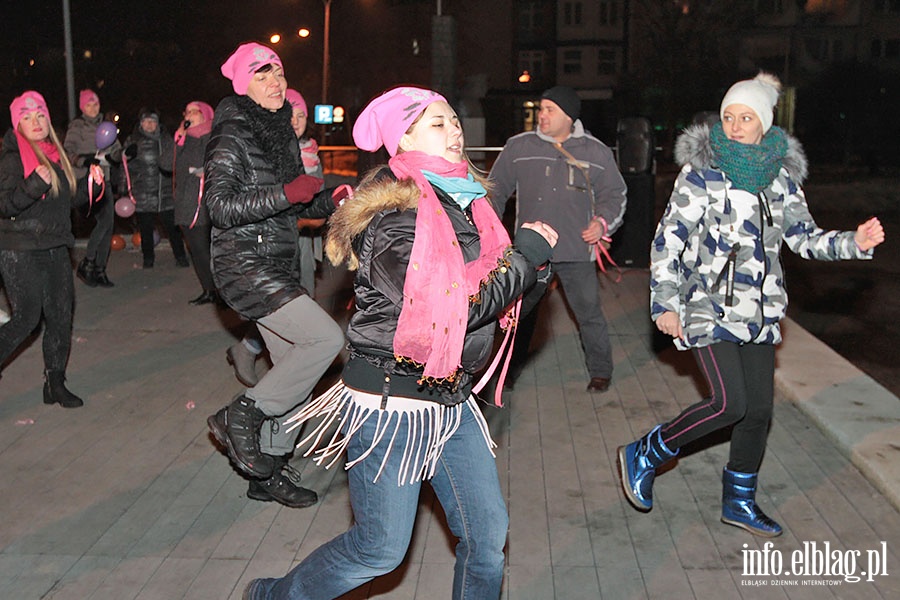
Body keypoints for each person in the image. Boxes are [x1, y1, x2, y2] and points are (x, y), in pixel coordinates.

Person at [242, 86, 558, 600]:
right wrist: (523, 258)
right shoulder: (393, 218)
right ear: (404, 137)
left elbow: (498, 309)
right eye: (438, 124)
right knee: (380, 550)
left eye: (455, 120)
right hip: (391, 404)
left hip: (453, 396)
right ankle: (275, 596)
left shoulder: (468, 205)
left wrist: (534, 271)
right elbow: (454, 310)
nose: (455, 131)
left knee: (487, 536)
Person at [617, 72, 885, 537]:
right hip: (706, 308)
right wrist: (665, 303)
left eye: (746, 117)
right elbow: (667, 242)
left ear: (764, 123)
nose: (736, 126)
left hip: (759, 316)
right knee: (728, 403)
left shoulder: (780, 180)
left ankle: (738, 501)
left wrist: (853, 242)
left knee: (757, 411)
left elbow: (803, 239)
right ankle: (649, 451)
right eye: (728, 117)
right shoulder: (701, 174)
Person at [204, 43, 348, 509]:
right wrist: (287, 193)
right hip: (243, 262)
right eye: (262, 74)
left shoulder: (279, 131)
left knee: (295, 376)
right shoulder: (231, 136)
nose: (275, 82)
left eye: (279, 73)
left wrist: (332, 199)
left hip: (277, 262)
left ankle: (265, 471)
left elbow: (299, 201)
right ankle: (240, 414)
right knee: (327, 341)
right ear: (243, 84)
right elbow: (221, 208)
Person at [490, 85, 627, 392]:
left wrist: (602, 223)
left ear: (568, 116)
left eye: (550, 110)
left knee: (589, 313)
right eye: (541, 109)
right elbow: (495, 190)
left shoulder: (595, 151)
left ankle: (601, 372)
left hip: (576, 249)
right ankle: (507, 372)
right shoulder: (519, 147)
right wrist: (492, 233)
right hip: (530, 251)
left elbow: (615, 194)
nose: (542, 115)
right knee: (520, 317)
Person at [0, 91, 104, 406]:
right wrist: (33, 185)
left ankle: (54, 383)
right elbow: (4, 205)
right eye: (27, 117)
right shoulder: (12, 157)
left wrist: (92, 187)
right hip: (20, 247)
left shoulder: (54, 156)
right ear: (18, 122)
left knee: (61, 316)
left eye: (41, 115)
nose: (36, 122)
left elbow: (70, 201)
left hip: (55, 245)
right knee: (27, 317)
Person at [223, 89, 323, 384]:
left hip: (302, 238)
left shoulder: (309, 150)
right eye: (288, 115)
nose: (295, 121)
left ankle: (256, 352)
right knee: (285, 304)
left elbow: (313, 196)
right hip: (271, 241)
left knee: (301, 300)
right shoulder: (263, 152)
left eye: (301, 115)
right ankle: (274, 366)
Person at [64, 89, 121, 288]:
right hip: (86, 181)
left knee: (108, 225)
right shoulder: (77, 126)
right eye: (88, 104)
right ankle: (88, 261)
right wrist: (84, 160)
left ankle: (99, 269)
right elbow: (68, 151)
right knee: (104, 223)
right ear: (82, 107)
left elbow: (115, 149)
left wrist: (121, 154)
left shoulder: (106, 124)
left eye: (95, 103)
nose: (93, 107)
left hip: (104, 179)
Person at [121, 108, 189, 269]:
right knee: (145, 229)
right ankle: (148, 259)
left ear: (158, 123)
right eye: (146, 121)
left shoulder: (166, 139)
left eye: (153, 121)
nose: (149, 124)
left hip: (165, 192)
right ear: (141, 124)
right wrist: (123, 188)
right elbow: (125, 166)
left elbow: (176, 161)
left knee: (173, 228)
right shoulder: (133, 141)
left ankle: (180, 256)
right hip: (142, 192)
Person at [173, 100, 220, 305]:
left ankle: (220, 290)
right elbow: (166, 162)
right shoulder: (184, 139)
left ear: (206, 115)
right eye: (187, 111)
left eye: (195, 111)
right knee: (196, 249)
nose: (189, 115)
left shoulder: (215, 137)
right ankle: (208, 290)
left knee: (207, 249)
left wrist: (207, 171)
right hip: (186, 203)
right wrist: (178, 139)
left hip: (206, 202)